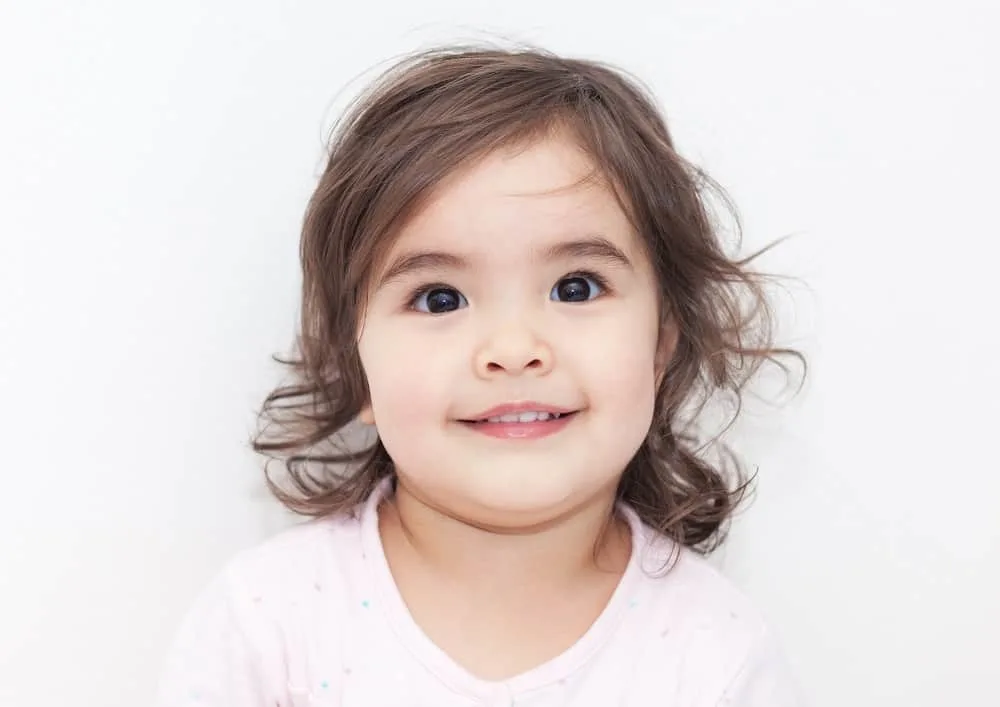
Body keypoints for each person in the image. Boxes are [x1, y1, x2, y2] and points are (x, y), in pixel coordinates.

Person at [156, 44, 805, 706]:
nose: (514, 347)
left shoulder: (716, 654)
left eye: (576, 287)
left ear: (661, 344)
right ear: (351, 367)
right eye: (440, 297)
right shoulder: (269, 625)